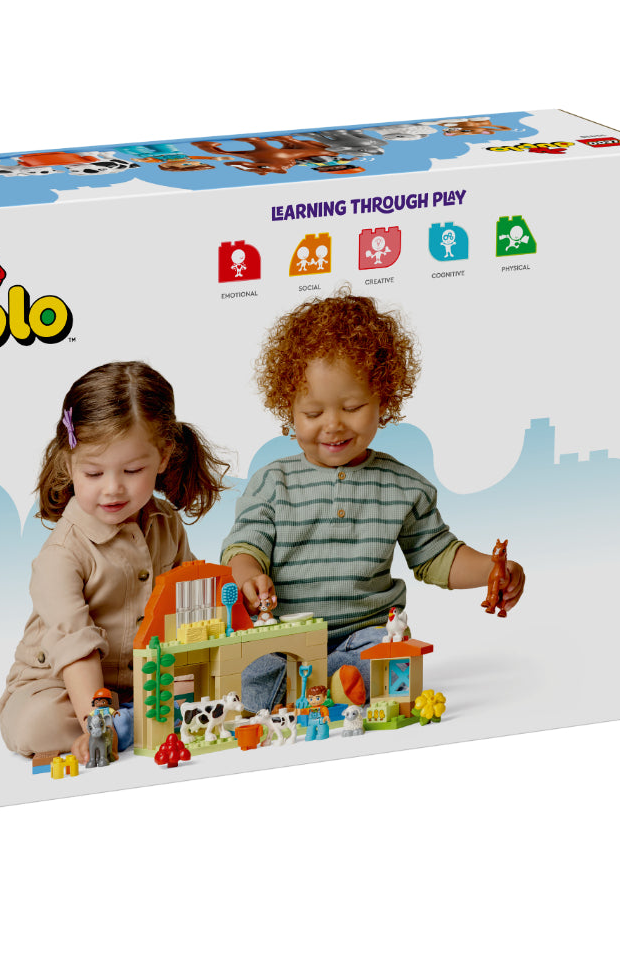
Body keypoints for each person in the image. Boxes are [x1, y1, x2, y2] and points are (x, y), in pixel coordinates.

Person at [220, 289, 525, 712]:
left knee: (389, 657)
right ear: (288, 408)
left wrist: (495, 571)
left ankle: (321, 685)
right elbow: (244, 546)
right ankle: (326, 686)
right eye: (313, 413)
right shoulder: (272, 483)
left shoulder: (402, 486)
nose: (333, 425)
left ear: (384, 397)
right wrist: (248, 575)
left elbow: (438, 555)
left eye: (352, 406)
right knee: (248, 676)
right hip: (284, 638)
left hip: (364, 635)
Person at [0, 361, 227, 762]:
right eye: (93, 473)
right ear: (69, 464)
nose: (113, 488)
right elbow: (75, 648)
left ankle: (138, 717)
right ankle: (124, 723)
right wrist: (96, 722)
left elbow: (186, 604)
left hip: (143, 679)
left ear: (163, 457)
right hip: (60, 682)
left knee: (219, 682)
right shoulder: (62, 554)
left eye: (132, 470)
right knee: (34, 723)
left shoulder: (166, 524)